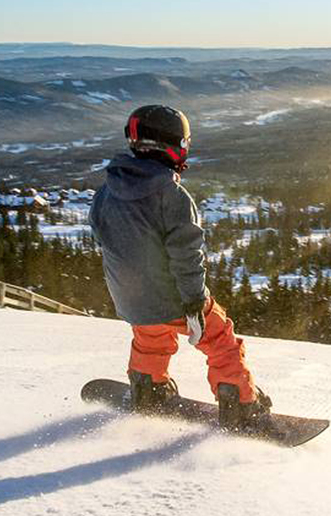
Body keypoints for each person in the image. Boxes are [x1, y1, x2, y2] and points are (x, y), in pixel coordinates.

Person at [90, 104, 274, 433]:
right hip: (174, 296)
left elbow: (104, 235)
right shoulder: (170, 194)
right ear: (176, 144)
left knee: (150, 339)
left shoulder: (107, 191)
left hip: (132, 299)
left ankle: (149, 388)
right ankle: (239, 403)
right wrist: (194, 301)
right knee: (219, 338)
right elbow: (187, 252)